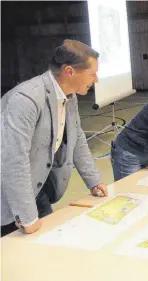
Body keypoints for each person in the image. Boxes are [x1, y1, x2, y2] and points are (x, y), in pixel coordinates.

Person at [1, 40, 108, 236]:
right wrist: (27, 217)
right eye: (92, 74)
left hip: (36, 185)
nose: (96, 80)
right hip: (8, 195)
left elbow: (78, 139)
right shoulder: (27, 99)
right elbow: (14, 161)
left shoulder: (70, 97)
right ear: (69, 71)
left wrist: (93, 180)